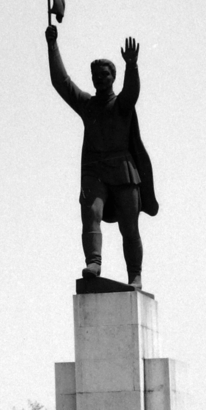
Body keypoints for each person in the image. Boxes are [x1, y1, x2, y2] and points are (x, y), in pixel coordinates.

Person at [46, 24, 158, 287]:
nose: (99, 78)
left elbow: (132, 92)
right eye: (95, 75)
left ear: (113, 77)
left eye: (105, 74)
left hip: (122, 169)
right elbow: (61, 83)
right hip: (95, 171)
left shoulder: (121, 105)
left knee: (129, 227)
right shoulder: (88, 105)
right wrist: (52, 46)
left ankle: (135, 275)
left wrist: (132, 65)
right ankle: (93, 262)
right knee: (90, 212)